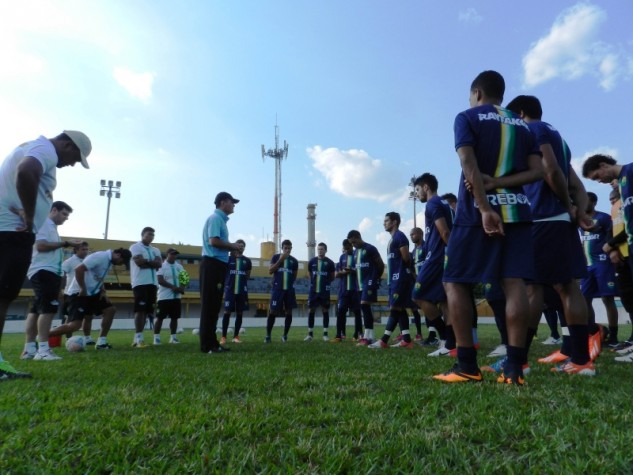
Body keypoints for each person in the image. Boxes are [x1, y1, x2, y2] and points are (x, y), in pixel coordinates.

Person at [434, 71, 542, 385]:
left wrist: (484, 208)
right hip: (518, 210)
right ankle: (514, 370)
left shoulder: (467, 117)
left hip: (475, 213)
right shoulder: (523, 124)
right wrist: (501, 184)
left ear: (477, 93)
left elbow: (468, 165)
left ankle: (467, 365)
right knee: (514, 283)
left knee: (454, 281)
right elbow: (537, 172)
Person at [503, 95, 594, 377]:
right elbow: (574, 180)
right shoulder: (558, 136)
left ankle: (520, 362)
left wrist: (568, 206)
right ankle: (579, 360)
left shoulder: (533, 129)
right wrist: (578, 211)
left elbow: (551, 170)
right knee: (567, 286)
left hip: (542, 218)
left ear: (520, 113)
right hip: (558, 220)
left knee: (533, 290)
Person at [0, 130, 90, 380]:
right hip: (12, 233)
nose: (72, 164)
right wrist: (30, 216)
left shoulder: (32, 146)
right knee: (3, 298)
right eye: (75, 157)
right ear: (66, 144)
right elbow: (27, 171)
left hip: (7, 230)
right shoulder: (46, 150)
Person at [583, 154, 633, 362]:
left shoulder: (630, 171)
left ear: (603, 165)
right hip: (628, 247)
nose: (599, 181)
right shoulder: (622, 184)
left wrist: (610, 244)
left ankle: (613, 335)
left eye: (597, 176)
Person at [20, 201, 81, 360]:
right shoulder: (44, 224)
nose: (66, 218)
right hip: (44, 270)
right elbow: (41, 246)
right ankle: (43, 350)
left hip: (44, 270)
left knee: (36, 310)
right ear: (54, 210)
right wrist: (66, 243)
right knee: (48, 309)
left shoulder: (51, 227)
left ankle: (29, 349)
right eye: (64, 214)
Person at [48, 248, 131, 350]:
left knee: (110, 310)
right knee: (75, 325)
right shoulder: (100, 256)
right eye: (121, 262)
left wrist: (102, 291)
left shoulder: (109, 261)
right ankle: (44, 335)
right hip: (78, 293)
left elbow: (98, 276)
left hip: (93, 293)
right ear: (118, 255)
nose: (120, 264)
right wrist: (83, 288)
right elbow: (79, 269)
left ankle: (101, 343)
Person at [412, 173, 453, 357]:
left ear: (426, 187)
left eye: (418, 189)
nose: (418, 193)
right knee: (444, 301)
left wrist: (453, 254)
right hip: (442, 256)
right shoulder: (444, 204)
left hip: (436, 257)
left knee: (418, 295)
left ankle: (444, 337)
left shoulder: (433, 203)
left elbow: (444, 232)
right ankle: (450, 343)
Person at [200, 192, 244, 353]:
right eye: (232, 202)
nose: (233, 205)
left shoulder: (221, 220)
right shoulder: (215, 218)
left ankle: (212, 342)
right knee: (209, 305)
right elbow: (214, 241)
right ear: (222, 202)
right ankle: (207, 345)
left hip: (217, 264)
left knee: (214, 306)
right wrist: (233, 246)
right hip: (212, 264)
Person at [369, 212, 415, 348]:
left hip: (399, 278)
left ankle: (384, 340)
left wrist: (403, 273)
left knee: (395, 307)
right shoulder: (393, 238)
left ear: (395, 222)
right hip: (394, 279)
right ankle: (406, 339)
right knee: (399, 308)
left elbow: (406, 258)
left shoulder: (399, 236)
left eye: (387, 220)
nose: (384, 223)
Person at [580, 192, 619, 347]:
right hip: (587, 265)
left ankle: (614, 337)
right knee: (585, 299)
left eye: (586, 201)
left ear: (594, 202)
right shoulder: (580, 219)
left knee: (607, 298)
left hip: (603, 263)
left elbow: (613, 235)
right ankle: (594, 333)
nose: (582, 203)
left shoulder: (603, 218)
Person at [346, 230, 385, 345]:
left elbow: (381, 264)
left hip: (369, 282)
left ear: (358, 237)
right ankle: (368, 336)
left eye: (354, 242)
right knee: (364, 308)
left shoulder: (370, 248)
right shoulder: (355, 252)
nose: (353, 245)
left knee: (364, 305)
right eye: (351, 243)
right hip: (359, 285)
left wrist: (375, 278)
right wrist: (351, 270)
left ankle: (368, 337)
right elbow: (358, 268)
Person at [129, 227, 162, 348]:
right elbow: (139, 263)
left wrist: (146, 261)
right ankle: (139, 338)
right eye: (149, 234)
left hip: (153, 284)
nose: (151, 237)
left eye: (153, 235)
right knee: (140, 309)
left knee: (149, 310)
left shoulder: (156, 250)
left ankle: (137, 338)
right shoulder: (135, 247)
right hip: (140, 282)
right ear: (142, 235)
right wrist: (152, 263)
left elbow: (159, 264)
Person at [265, 239, 298, 343]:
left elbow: (294, 276)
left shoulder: (294, 261)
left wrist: (288, 285)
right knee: (273, 311)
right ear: (282, 248)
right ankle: (268, 336)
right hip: (277, 289)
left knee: (289, 311)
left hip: (289, 290)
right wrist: (280, 260)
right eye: (285, 248)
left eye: (289, 248)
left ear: (291, 248)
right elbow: (270, 271)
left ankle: (285, 336)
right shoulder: (275, 257)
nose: (287, 250)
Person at [220, 239, 252, 344]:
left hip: (242, 291)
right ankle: (223, 337)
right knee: (227, 312)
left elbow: (247, 276)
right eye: (239, 245)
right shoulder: (228, 259)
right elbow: (224, 274)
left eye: (243, 246)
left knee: (239, 313)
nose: (241, 247)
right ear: (235, 246)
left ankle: (236, 336)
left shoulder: (247, 261)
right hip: (230, 290)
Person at [59, 241, 92, 342]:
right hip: (71, 293)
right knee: (71, 317)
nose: (86, 251)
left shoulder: (89, 261)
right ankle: (68, 339)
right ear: (76, 250)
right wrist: (61, 289)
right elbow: (62, 275)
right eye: (83, 249)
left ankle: (87, 338)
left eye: (87, 249)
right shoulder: (69, 261)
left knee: (89, 315)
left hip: (86, 292)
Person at [154, 248, 186, 345]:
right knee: (160, 318)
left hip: (176, 297)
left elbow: (184, 278)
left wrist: (181, 288)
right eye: (172, 254)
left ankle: (173, 337)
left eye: (175, 254)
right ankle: (156, 338)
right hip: (163, 297)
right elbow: (160, 280)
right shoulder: (162, 266)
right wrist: (173, 287)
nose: (174, 256)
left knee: (174, 318)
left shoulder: (179, 266)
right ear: (167, 254)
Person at [304, 242, 336, 342]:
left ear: (325, 250)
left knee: (325, 310)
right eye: (318, 249)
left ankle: (325, 334)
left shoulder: (330, 263)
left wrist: (325, 283)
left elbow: (332, 276)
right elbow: (309, 273)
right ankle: (310, 334)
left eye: (322, 249)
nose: (320, 251)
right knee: (311, 310)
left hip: (324, 291)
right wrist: (314, 282)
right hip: (313, 291)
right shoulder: (312, 261)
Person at [333, 239, 362, 342]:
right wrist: (344, 272)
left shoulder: (357, 255)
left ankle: (357, 334)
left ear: (352, 246)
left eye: (348, 248)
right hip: (344, 291)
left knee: (357, 312)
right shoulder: (342, 257)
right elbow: (336, 274)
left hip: (355, 290)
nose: (347, 250)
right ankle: (338, 335)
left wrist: (352, 271)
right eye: (345, 248)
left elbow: (360, 270)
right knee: (340, 312)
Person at [408, 227, 427, 342]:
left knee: (429, 307)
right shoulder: (414, 252)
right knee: (414, 308)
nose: (411, 237)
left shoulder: (427, 246)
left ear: (420, 234)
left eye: (413, 234)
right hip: (417, 283)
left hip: (428, 282)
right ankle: (419, 333)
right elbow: (412, 269)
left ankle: (433, 333)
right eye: (410, 235)